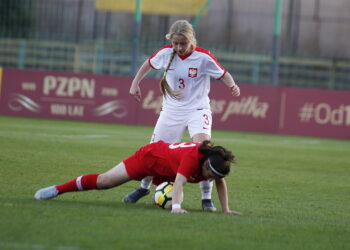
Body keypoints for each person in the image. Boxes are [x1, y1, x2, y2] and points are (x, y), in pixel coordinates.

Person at [124, 19, 241, 211]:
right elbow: (148, 64)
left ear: (191, 40)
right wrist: (134, 83)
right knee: (152, 151)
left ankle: (206, 199)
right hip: (171, 111)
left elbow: (223, 73)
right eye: (175, 43)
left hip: (198, 110)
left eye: (183, 43)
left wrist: (232, 85)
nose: (178, 47)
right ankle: (143, 187)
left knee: (205, 150)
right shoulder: (165, 54)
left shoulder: (204, 57)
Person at [34, 140, 241, 215]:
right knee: (104, 182)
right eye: (210, 175)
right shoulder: (191, 158)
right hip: (148, 158)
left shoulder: (213, 163)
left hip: (165, 169)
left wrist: (226, 209)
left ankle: (144, 193)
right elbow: (180, 182)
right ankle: (58, 189)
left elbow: (221, 182)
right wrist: (176, 207)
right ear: (205, 164)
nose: (211, 180)